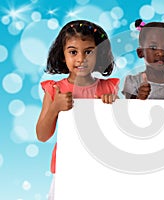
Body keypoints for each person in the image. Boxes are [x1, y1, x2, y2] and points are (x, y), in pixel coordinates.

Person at [36, 20, 119, 200]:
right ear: (62, 54)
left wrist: (114, 104)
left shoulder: (109, 89)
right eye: (73, 52)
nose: (81, 59)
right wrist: (55, 108)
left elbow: (120, 130)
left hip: (101, 170)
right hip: (67, 167)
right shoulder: (55, 89)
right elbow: (42, 135)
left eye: (89, 52)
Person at [122, 19, 164, 111]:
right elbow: (127, 111)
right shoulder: (133, 82)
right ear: (140, 52)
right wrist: (139, 98)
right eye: (153, 47)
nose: (161, 53)